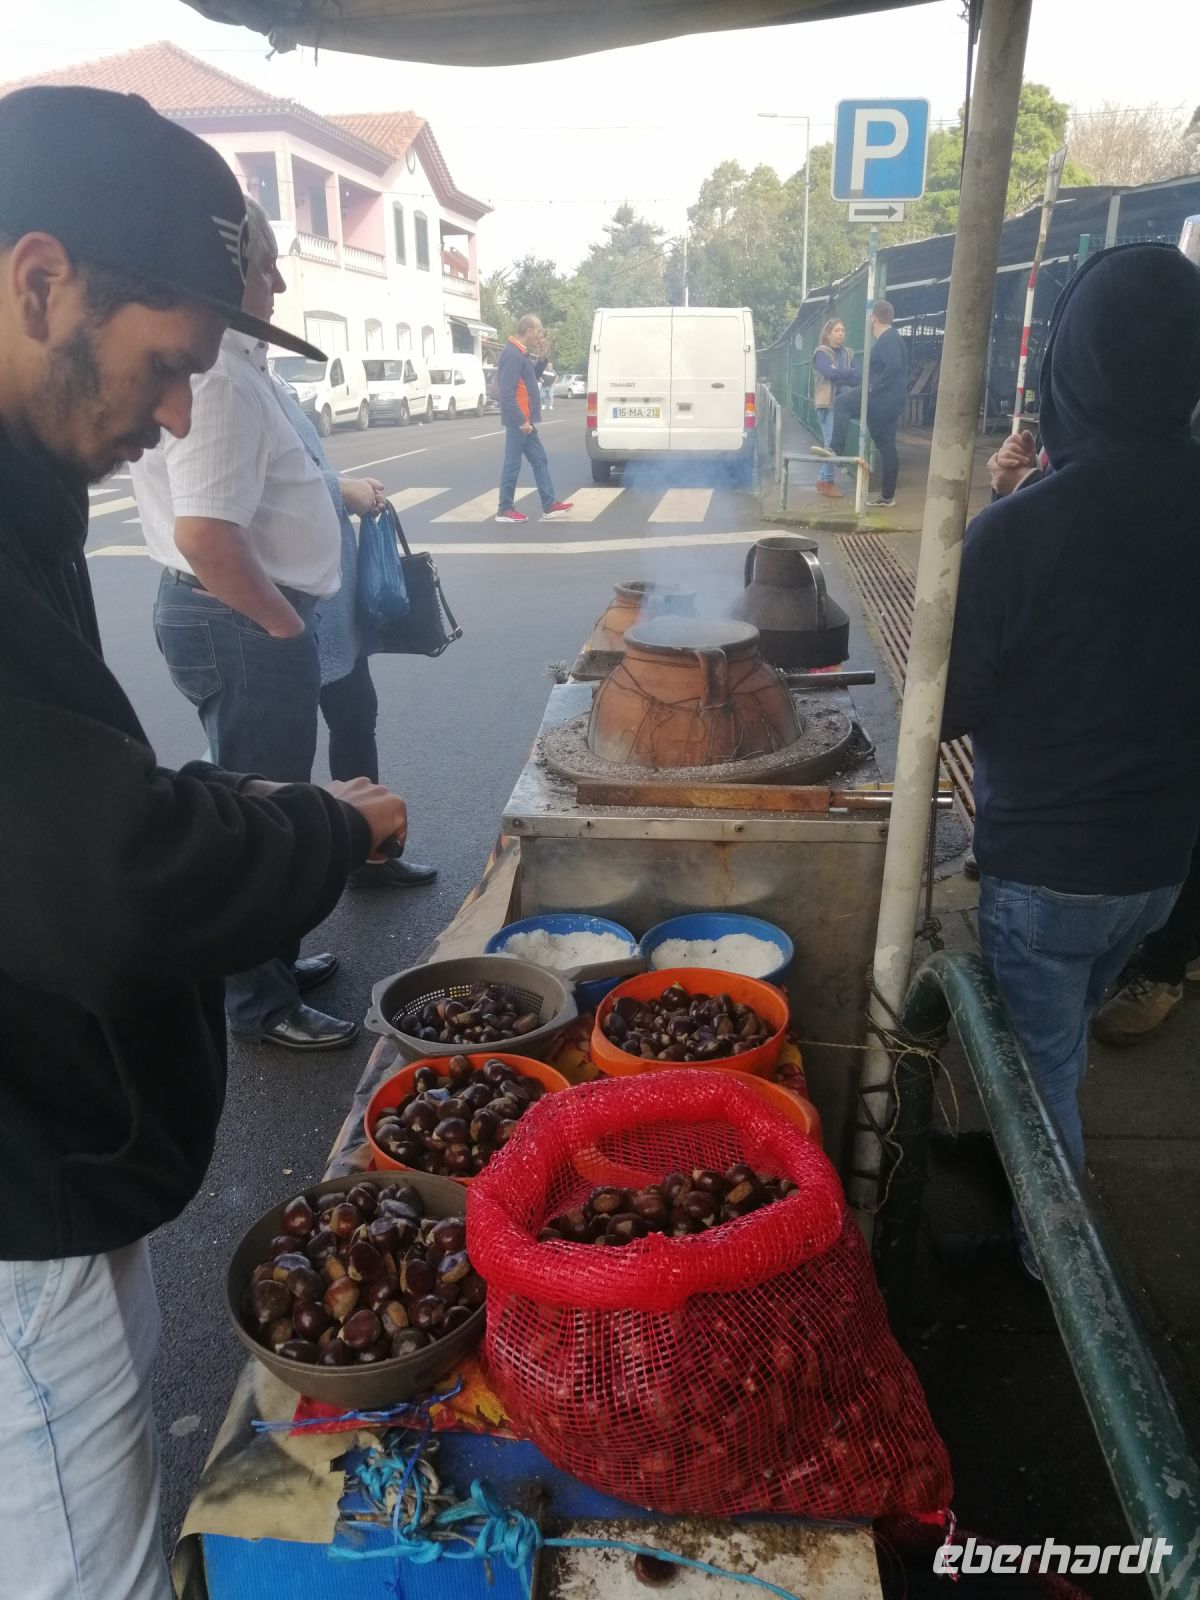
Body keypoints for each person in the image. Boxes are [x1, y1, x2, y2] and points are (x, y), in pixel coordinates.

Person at [0, 84, 409, 1598]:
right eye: (167, 363)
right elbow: (100, 874)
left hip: (59, 1173)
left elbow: (59, 789)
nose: (178, 413)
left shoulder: (26, 491)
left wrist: (235, 814)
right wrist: (305, 829)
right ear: (42, 280)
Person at [942, 244, 1200, 1275]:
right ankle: (1018, 1162)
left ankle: (1051, 1269)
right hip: (1162, 869)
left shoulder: (1021, 530)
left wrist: (1002, 519)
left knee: (1040, 1076)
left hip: (1049, 869)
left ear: (1070, 363)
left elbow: (948, 704)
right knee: (1059, 1039)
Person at [129, 201, 365, 1049]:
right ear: (231, 269)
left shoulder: (238, 360)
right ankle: (259, 1003)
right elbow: (205, 533)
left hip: (240, 616)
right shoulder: (221, 376)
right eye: (268, 265)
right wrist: (283, 629)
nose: (280, 280)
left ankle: (270, 963)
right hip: (238, 619)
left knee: (276, 793)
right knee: (263, 811)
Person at [495, 314, 572, 524]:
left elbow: (531, 379)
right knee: (512, 464)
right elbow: (507, 392)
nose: (540, 335)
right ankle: (504, 509)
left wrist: (543, 358)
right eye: (538, 331)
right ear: (528, 331)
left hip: (524, 420)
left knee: (539, 460)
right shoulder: (512, 354)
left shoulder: (521, 353)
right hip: (518, 420)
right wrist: (521, 420)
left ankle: (549, 505)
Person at [830, 299, 908, 507]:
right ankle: (887, 496)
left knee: (841, 403)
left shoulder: (888, 339)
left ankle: (835, 450)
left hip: (880, 399)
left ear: (874, 317)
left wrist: (873, 387)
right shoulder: (894, 338)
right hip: (889, 401)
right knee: (885, 445)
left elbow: (893, 366)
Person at [811, 317, 857, 499]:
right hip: (827, 403)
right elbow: (829, 373)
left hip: (843, 404)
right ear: (828, 334)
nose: (840, 334)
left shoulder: (848, 353)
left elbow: (856, 377)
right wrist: (846, 373)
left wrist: (841, 374)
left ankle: (823, 479)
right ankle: (828, 481)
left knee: (834, 444)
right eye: (837, 330)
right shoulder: (821, 353)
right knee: (830, 443)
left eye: (843, 330)